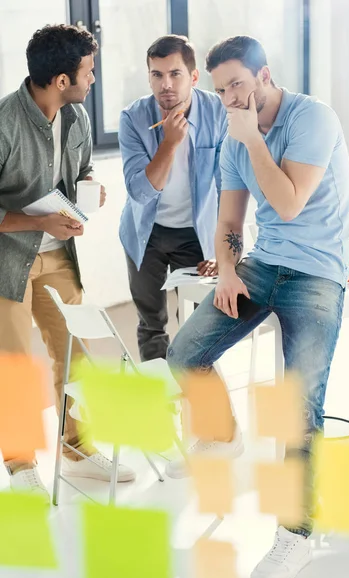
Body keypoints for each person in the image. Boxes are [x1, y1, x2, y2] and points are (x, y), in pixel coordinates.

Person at [166, 36, 349, 578]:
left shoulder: (312, 118)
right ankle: (223, 433)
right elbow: (230, 221)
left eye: (237, 86)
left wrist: (252, 141)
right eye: (220, 90)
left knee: (297, 408)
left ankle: (294, 534)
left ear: (264, 76)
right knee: (183, 353)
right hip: (263, 266)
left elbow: (291, 202)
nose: (228, 99)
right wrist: (225, 270)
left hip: (318, 272)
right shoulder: (232, 135)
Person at [0, 24, 135, 499]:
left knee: (75, 354)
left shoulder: (76, 118)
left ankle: (76, 446)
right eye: (88, 71)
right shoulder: (4, 123)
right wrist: (40, 224)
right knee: (15, 365)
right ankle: (19, 464)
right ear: (61, 79)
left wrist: (87, 190)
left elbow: (80, 169)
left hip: (59, 258)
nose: (92, 79)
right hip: (8, 263)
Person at [119, 35, 227, 362]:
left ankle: (197, 399)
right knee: (151, 323)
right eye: (157, 75)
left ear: (193, 77)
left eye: (175, 74)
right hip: (145, 233)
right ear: (149, 76)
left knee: (199, 322)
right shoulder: (132, 119)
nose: (165, 84)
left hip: (194, 233)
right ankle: (161, 404)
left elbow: (228, 187)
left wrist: (223, 248)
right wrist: (170, 142)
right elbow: (139, 191)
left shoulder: (217, 112)